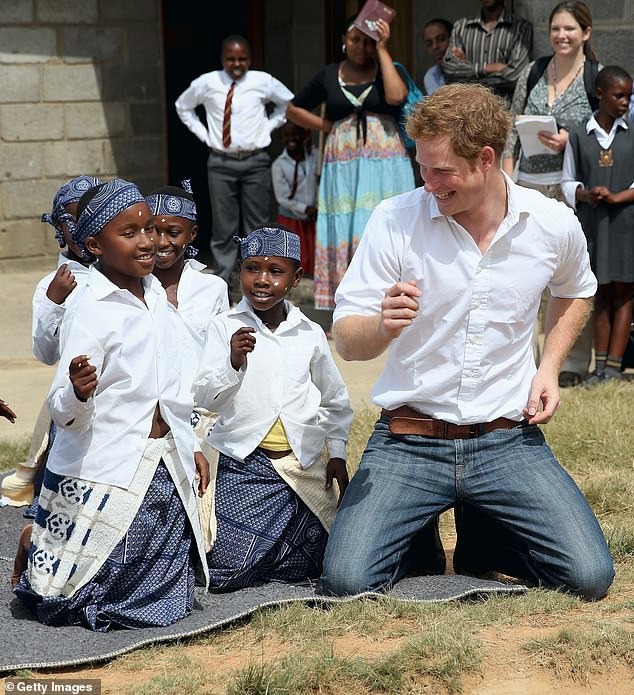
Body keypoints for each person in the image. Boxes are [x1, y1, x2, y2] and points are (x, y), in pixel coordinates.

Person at [320, 83, 614, 601]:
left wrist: (547, 368)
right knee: (346, 582)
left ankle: (484, 535)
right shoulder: (396, 219)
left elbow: (576, 291)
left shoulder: (550, 223)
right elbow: (347, 339)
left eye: (442, 172)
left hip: (506, 440)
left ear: (485, 159)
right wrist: (382, 326)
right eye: (422, 168)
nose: (428, 183)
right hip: (409, 439)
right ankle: (420, 537)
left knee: (589, 577)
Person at [13, 179, 210, 630]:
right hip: (107, 459)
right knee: (66, 603)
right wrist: (80, 391)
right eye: (131, 233)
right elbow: (64, 410)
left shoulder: (158, 295)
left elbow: (176, 385)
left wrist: (191, 442)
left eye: (152, 230)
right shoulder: (92, 307)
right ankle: (36, 544)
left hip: (162, 457)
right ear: (94, 245)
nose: (150, 242)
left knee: (168, 591)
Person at [194, 224, 353, 590]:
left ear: (296, 278)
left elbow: (335, 399)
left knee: (327, 554)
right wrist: (233, 362)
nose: (262, 280)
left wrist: (338, 453)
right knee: (227, 568)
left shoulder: (309, 332)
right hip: (244, 463)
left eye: (275, 271)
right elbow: (204, 398)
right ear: (239, 272)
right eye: (252, 269)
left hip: (302, 465)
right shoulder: (224, 327)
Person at [502, 1, 600, 387]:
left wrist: (569, 140)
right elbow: (512, 125)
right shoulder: (534, 70)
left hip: (570, 188)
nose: (562, 36)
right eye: (556, 29)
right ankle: (525, 361)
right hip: (526, 182)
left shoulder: (595, 77)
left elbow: (607, 132)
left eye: (570, 29)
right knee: (525, 271)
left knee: (571, 273)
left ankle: (572, 362)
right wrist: (506, 181)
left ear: (586, 33)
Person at [287, 16, 415, 310]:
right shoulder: (330, 74)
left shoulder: (385, 70)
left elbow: (397, 97)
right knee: (345, 223)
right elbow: (292, 110)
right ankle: (348, 305)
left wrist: (383, 49)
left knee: (384, 220)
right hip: (343, 161)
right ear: (343, 41)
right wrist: (326, 127)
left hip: (385, 159)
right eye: (354, 39)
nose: (360, 45)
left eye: (367, 40)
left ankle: (391, 301)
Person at [1, 176, 103, 510]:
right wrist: (54, 302)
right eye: (71, 220)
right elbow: (45, 353)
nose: (82, 229)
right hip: (78, 398)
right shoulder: (51, 285)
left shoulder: (126, 275)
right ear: (59, 226)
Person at [175, 35, 294, 287]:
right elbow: (183, 106)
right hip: (221, 161)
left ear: (250, 59)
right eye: (231, 59)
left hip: (255, 161)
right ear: (222, 59)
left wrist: (268, 127)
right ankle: (222, 283)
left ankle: (257, 278)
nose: (237, 64)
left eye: (242, 59)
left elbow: (286, 103)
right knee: (224, 225)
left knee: (257, 223)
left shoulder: (262, 81)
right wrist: (204, 135)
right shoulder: (207, 82)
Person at [561, 66, 634, 384]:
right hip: (593, 224)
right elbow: (566, 181)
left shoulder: (632, 132)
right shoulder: (578, 133)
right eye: (619, 95)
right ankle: (600, 368)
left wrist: (617, 196)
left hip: (625, 224)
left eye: (629, 96)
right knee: (600, 290)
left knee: (624, 291)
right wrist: (584, 193)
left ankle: (615, 367)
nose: (625, 102)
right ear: (599, 94)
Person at [441, 0, 532, 102]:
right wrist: (490, 68)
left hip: (503, 109)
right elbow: (449, 70)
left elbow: (516, 76)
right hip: (468, 108)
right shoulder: (461, 27)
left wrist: (467, 73)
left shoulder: (521, 28)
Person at [272, 122, 319, 276]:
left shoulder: (316, 156)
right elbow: (282, 198)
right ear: (281, 139)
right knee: (293, 260)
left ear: (304, 135)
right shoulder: (279, 165)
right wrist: (305, 208)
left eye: (295, 134)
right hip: (291, 220)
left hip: (313, 219)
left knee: (314, 259)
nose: (292, 138)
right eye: (287, 135)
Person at [422, 18, 453, 96]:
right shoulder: (431, 75)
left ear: (453, 38)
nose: (435, 46)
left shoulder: (472, 70)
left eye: (441, 39)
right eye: (429, 43)